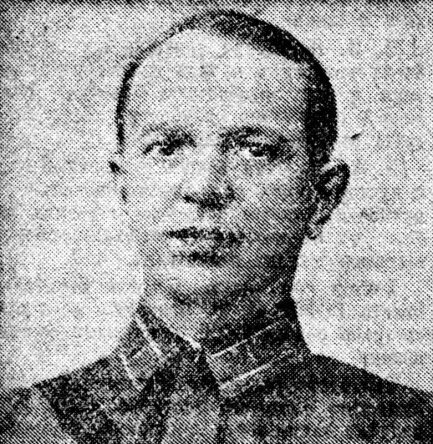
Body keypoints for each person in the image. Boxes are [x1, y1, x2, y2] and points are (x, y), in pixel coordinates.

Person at [1, 9, 432, 444]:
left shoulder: (405, 428)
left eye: (255, 150)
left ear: (321, 196)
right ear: (124, 184)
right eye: (167, 147)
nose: (205, 187)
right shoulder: (21, 425)